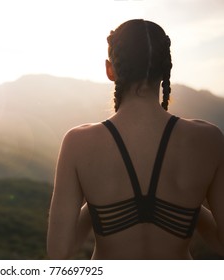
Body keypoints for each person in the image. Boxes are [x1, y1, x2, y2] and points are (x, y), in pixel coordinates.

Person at [47, 19, 224, 259]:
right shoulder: (209, 139)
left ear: (110, 69)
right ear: (165, 69)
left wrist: (98, 203)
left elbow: (60, 253)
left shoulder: (77, 143)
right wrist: (187, 204)